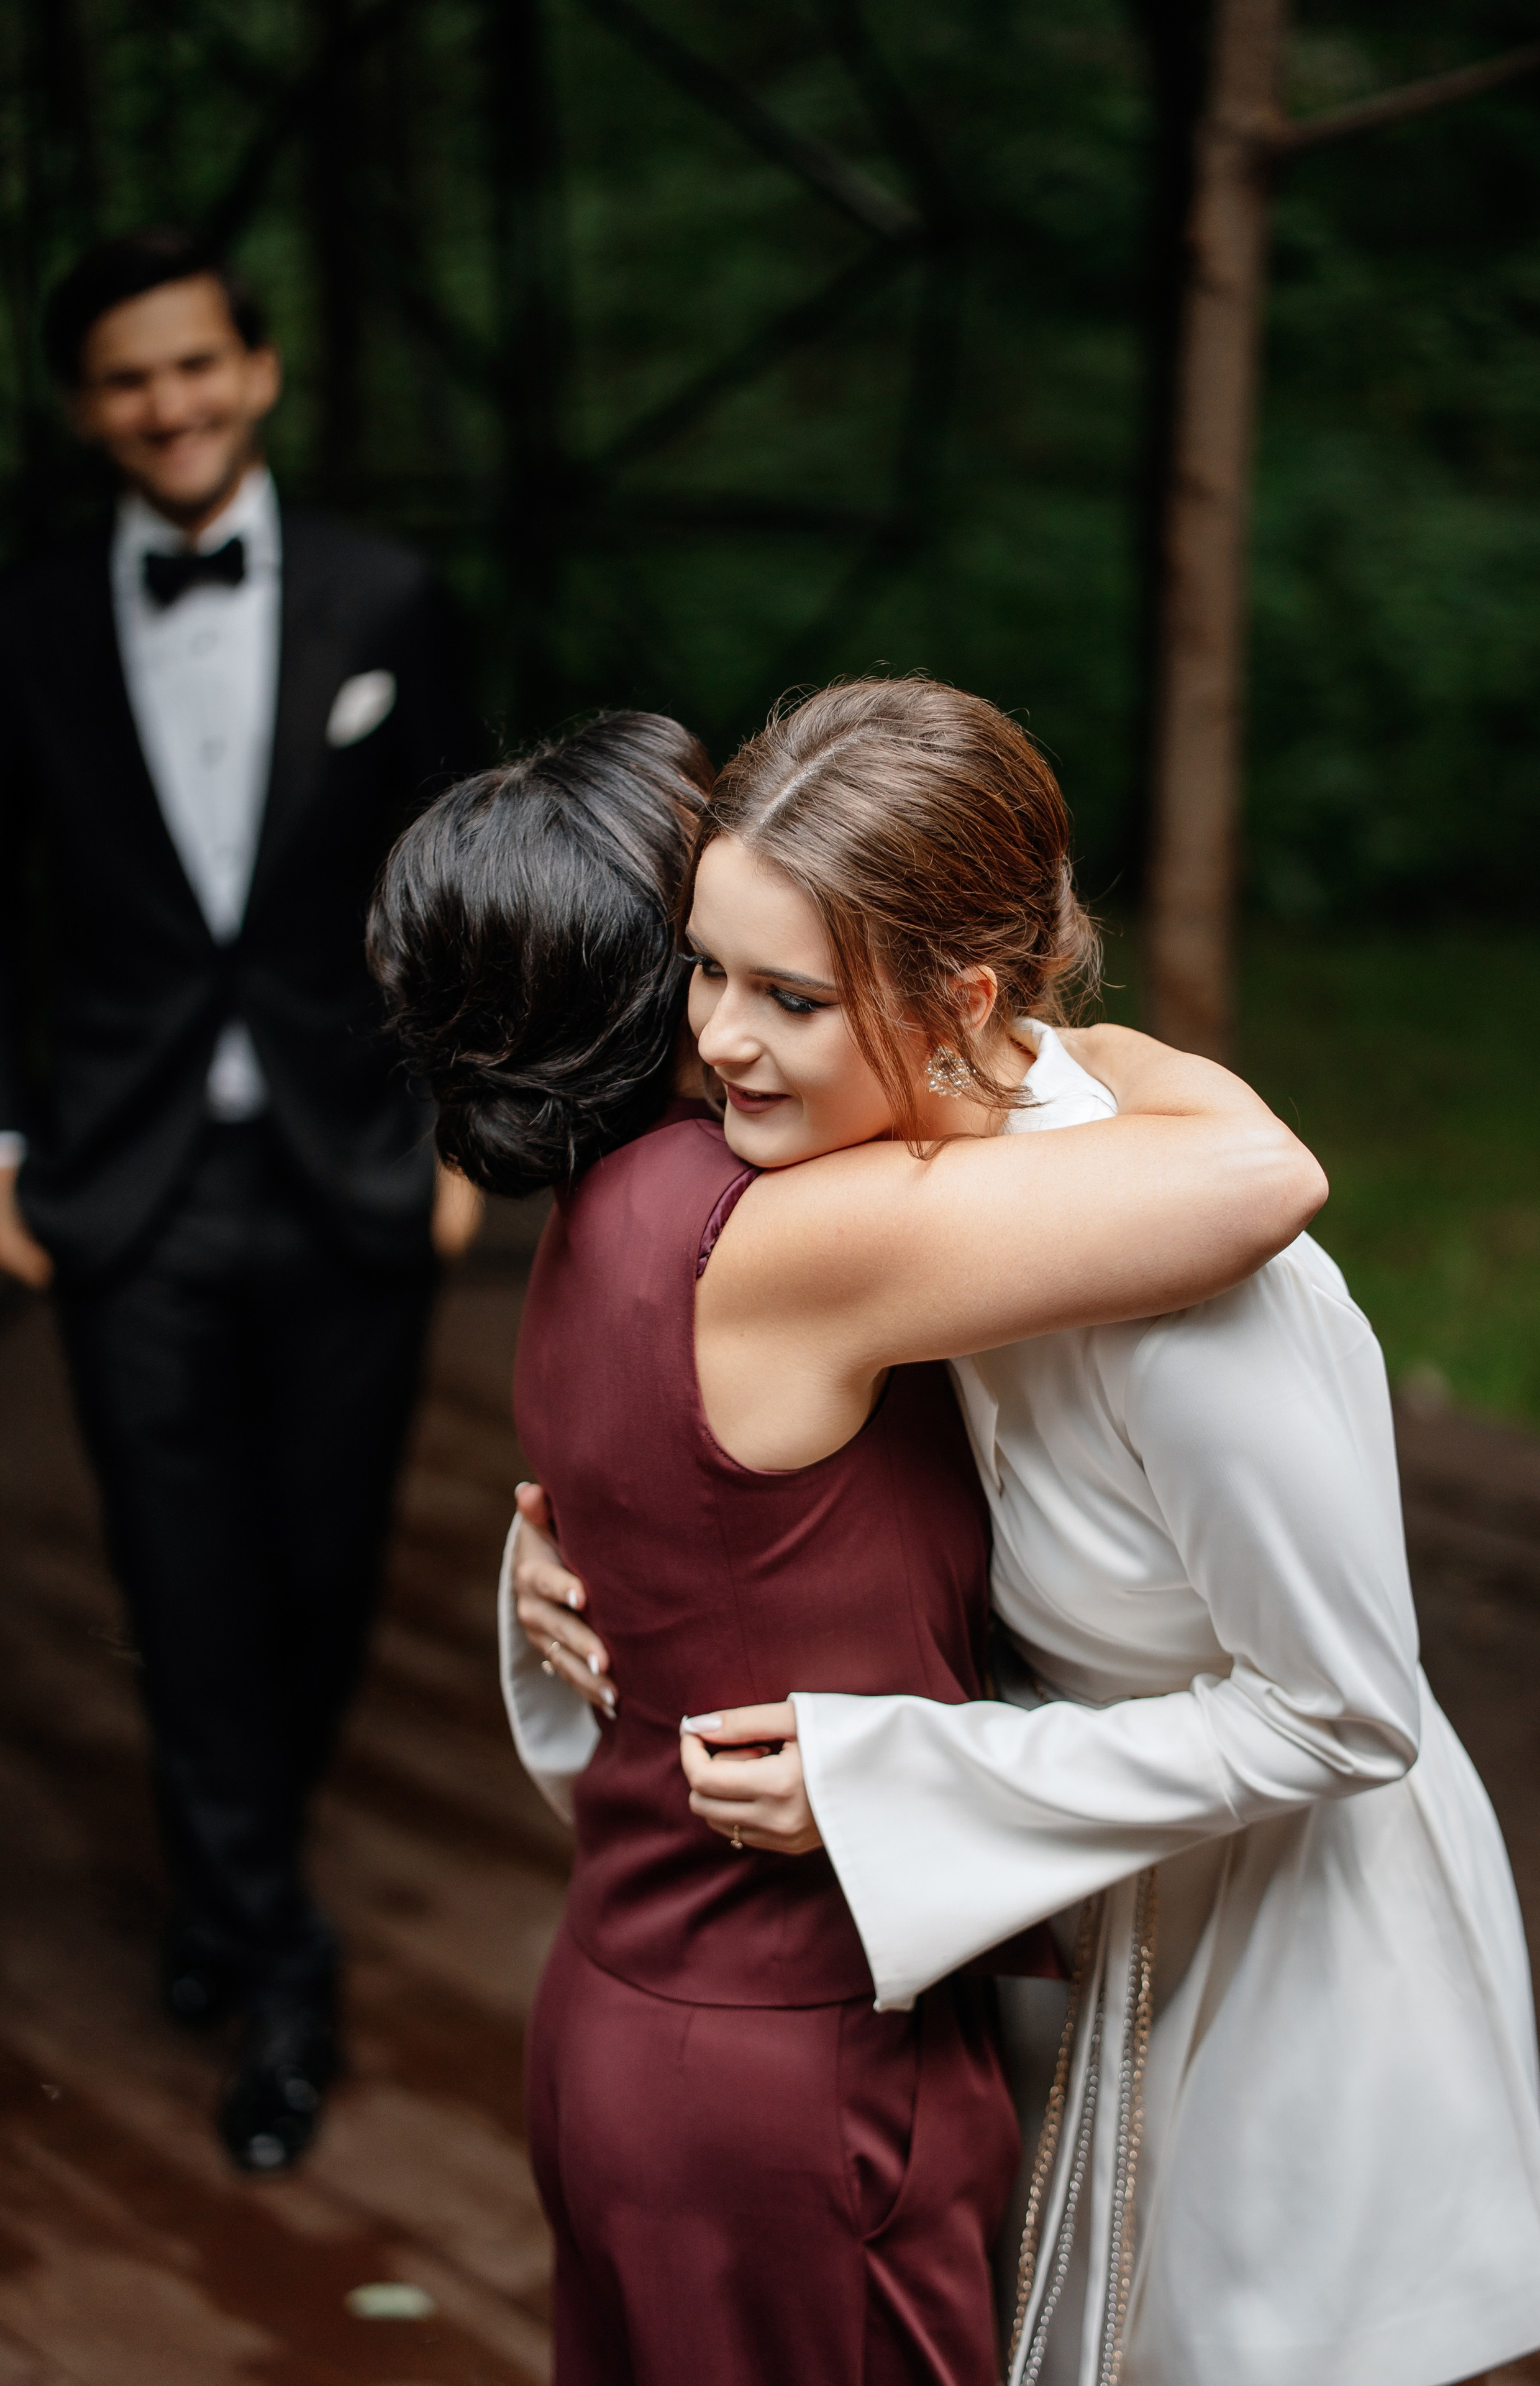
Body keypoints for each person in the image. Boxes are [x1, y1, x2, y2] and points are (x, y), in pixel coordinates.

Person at [506, 680, 1540, 2386]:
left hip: (1280, 1954)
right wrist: (579, 1550)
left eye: (791, 995)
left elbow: (1348, 1710)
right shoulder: (880, 1202)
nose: (715, 1039)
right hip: (1063, 1932)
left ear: (969, 999)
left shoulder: (1191, 1299)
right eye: (707, 967)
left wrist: (892, 1782)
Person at [370, 694, 1324, 2385]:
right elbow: (1257, 1173)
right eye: (717, 950)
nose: (745, 997)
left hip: (623, 2028)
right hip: (798, 2095)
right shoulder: (780, 1235)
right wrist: (1030, 1026)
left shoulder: (604, 1216)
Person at [0, 227, 481, 2174]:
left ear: (258, 370)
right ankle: (277, 1960)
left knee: (323, 1571)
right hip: (122, 1190)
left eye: (199, 367)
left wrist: (463, 1131)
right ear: (84, 408)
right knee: (179, 1573)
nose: (171, 406)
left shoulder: (392, 596)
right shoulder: (24, 620)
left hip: (354, 1164)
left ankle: (228, 1881)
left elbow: (469, 881)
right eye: (128, 380)